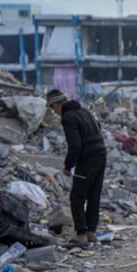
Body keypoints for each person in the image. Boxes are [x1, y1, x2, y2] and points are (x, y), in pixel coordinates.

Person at [46, 89, 106, 248]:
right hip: (101, 154)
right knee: (94, 195)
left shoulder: (68, 117)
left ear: (58, 105)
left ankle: (81, 237)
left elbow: (75, 145)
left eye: (53, 108)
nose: (54, 112)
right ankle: (91, 234)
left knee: (77, 198)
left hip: (87, 159)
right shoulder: (84, 111)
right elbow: (98, 128)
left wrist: (68, 165)